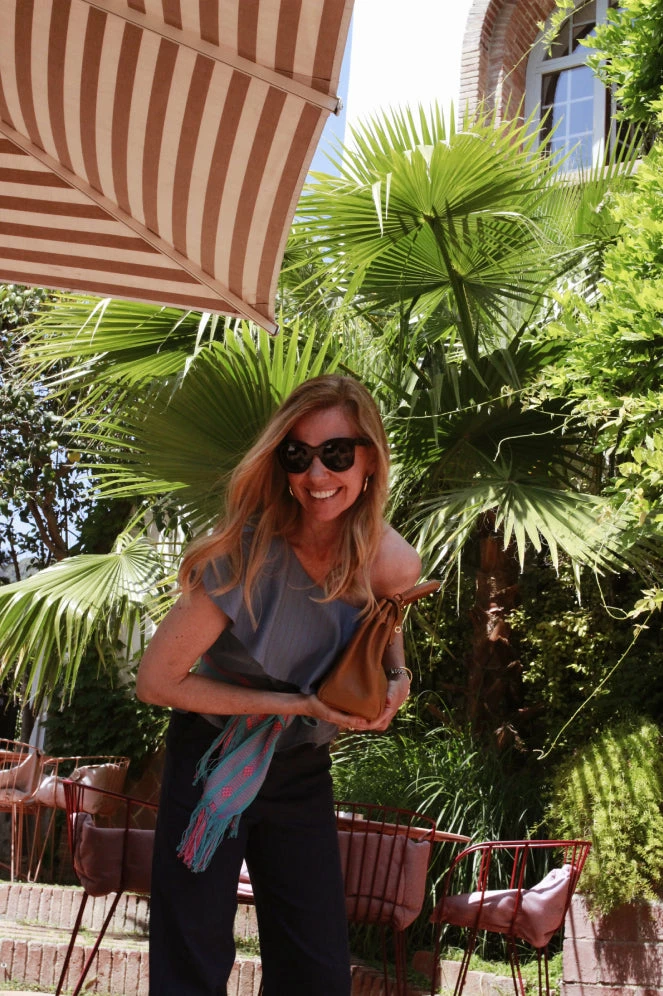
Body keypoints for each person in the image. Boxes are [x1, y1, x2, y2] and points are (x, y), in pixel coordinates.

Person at [136, 374, 421, 996]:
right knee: (192, 959)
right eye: (298, 455)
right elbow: (156, 682)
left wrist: (397, 678)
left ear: (370, 459)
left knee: (316, 971)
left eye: (337, 453)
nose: (317, 474)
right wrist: (294, 702)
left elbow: (387, 625)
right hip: (212, 756)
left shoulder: (389, 561)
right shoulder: (244, 557)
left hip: (299, 766)